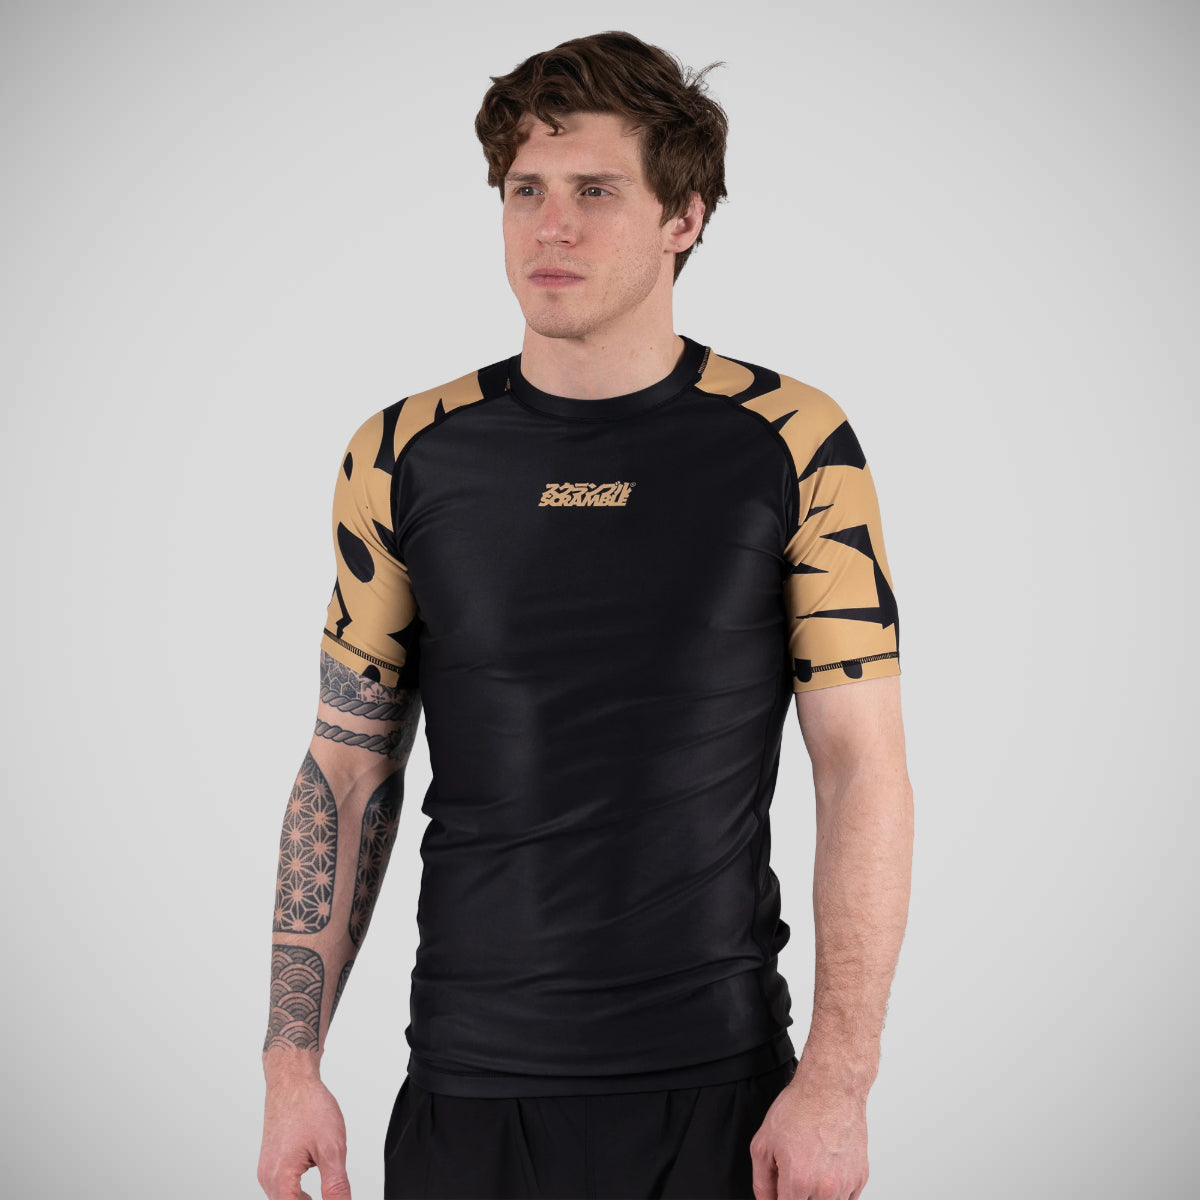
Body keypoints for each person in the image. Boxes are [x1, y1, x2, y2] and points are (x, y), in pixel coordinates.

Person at [257, 28, 913, 1200]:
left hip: (718, 1089)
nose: (549, 227)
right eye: (526, 190)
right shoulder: (403, 452)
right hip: (467, 1090)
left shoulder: (793, 441)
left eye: (596, 192)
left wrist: (839, 1079)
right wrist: (289, 1065)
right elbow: (345, 768)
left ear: (684, 218)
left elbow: (861, 770)